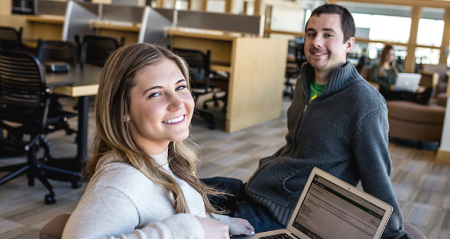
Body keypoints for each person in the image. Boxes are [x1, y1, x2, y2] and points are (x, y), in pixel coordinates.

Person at [206, 4, 412, 239]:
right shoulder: (304, 82)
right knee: (180, 191)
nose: (316, 42)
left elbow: (377, 178)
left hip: (290, 216)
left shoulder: (364, 102)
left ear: (349, 45)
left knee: (198, 230)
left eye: (328, 35)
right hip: (260, 190)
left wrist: (395, 234)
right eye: (311, 34)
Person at [61, 43, 254, 239]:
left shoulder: (167, 159)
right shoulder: (123, 181)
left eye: (180, 87)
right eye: (155, 94)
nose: (178, 102)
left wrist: (219, 222)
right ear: (122, 111)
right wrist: (186, 230)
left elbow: (173, 213)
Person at [369, 44, 434, 105]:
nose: (390, 57)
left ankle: (420, 96)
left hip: (398, 89)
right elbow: (373, 79)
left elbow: (405, 78)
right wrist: (388, 86)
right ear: (384, 54)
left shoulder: (396, 68)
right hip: (386, 91)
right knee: (399, 95)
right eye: (388, 54)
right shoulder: (377, 67)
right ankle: (419, 99)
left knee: (406, 93)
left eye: (392, 55)